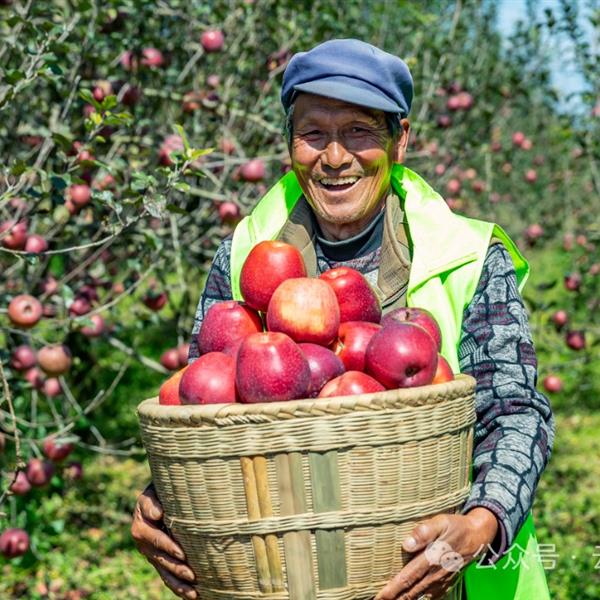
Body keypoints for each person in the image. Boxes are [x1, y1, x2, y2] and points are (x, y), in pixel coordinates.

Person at [131, 39, 555, 600]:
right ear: (289, 143)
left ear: (400, 140)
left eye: (358, 131)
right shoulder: (246, 255)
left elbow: (516, 412)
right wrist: (164, 501)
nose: (334, 157)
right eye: (313, 133)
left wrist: (482, 523)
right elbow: (201, 413)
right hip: (285, 576)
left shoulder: (467, 254)